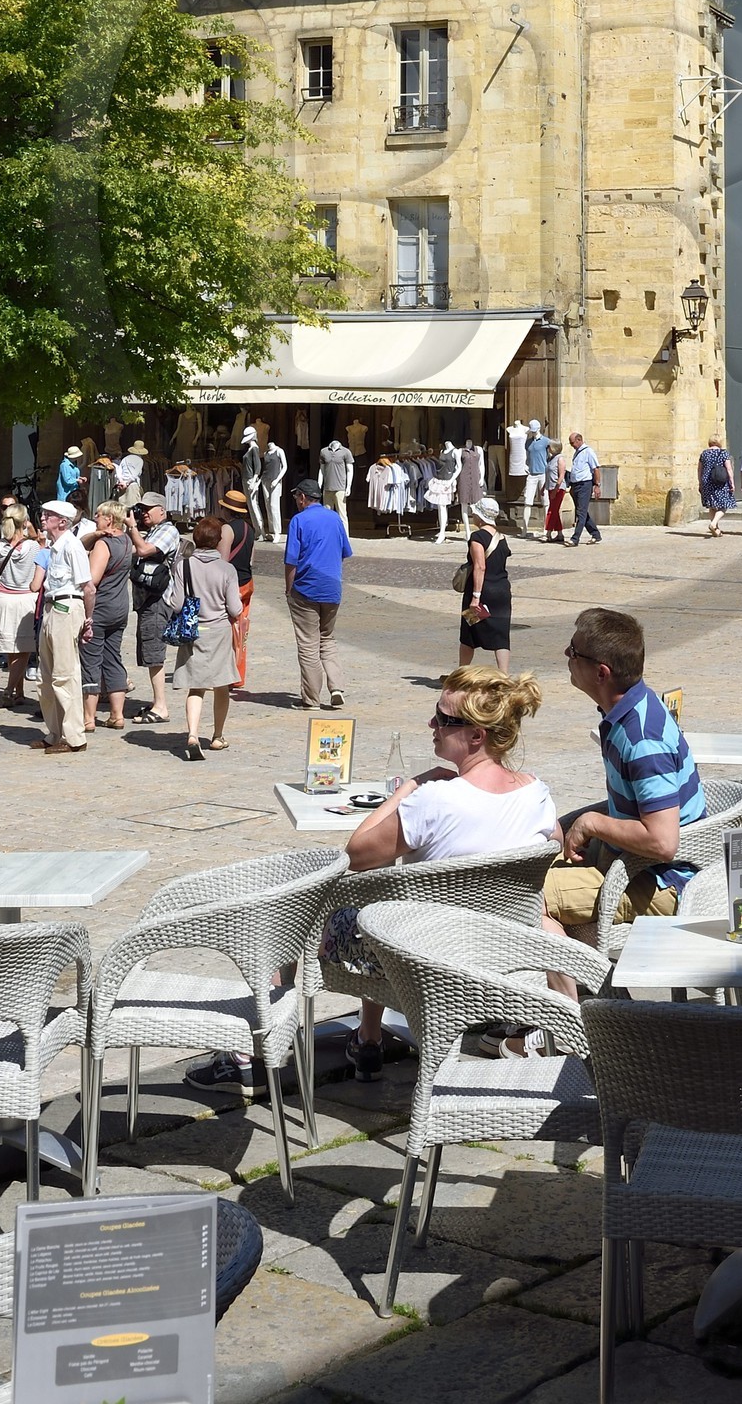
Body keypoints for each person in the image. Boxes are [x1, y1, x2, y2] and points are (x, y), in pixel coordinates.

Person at [334, 667, 555, 1078]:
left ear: (477, 736)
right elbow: (551, 843)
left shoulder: (435, 799)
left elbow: (356, 853)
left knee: (301, 916)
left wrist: (409, 788)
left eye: (444, 719)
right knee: (384, 897)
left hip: (419, 956)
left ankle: (262, 1055)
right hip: (502, 950)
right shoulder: (536, 794)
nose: (432, 724)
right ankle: (367, 1036)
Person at [543, 608, 707, 968]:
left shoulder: (642, 739)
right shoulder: (628, 711)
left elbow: (663, 842)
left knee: (520, 899)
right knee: (523, 878)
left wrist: (591, 823)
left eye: (574, 652)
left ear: (601, 673)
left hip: (663, 883)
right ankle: (590, 1000)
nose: (566, 657)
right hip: (628, 863)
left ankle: (577, 1010)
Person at [172, 513, 244, 762]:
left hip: (194, 630)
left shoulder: (183, 565)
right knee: (221, 684)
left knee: (196, 685)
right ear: (217, 541)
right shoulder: (227, 569)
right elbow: (235, 608)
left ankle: (192, 734)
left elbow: (178, 603)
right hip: (219, 631)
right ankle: (217, 735)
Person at [284, 478, 352, 707]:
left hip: (306, 588)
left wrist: (289, 588)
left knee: (308, 644)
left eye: (296, 497)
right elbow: (344, 551)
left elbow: (291, 561)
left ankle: (311, 698)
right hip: (332, 587)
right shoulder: (334, 518)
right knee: (327, 638)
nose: (296, 501)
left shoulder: (299, 521)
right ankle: (337, 687)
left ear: (303, 497)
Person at [35, 496, 95, 754]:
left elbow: (88, 588)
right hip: (51, 608)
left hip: (67, 608)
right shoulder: (53, 547)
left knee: (65, 674)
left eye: (48, 515)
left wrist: (88, 620)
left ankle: (74, 737)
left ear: (62, 521)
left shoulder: (72, 546)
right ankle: (54, 732)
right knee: (46, 675)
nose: (42, 518)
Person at [128, 493, 181, 721]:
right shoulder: (151, 531)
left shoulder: (168, 531)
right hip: (147, 598)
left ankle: (161, 706)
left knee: (155, 651)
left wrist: (131, 529)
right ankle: (156, 701)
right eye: (142, 509)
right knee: (149, 650)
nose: (145, 513)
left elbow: (143, 551)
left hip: (160, 599)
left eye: (149, 509)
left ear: (162, 510)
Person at [0, 503, 43, 708]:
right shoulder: (33, 546)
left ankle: (19, 691)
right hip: (24, 598)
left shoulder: (0, 546)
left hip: (3, 599)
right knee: (24, 649)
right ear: (24, 521)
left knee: (12, 648)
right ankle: (10, 689)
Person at [82, 502, 134, 733]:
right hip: (120, 606)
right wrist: (94, 534)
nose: (95, 517)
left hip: (101, 607)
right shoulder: (126, 540)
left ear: (109, 519)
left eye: (99, 515)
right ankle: (117, 715)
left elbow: (92, 580)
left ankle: (89, 718)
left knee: (91, 659)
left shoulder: (104, 545)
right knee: (113, 658)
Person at [459, 497, 513, 671]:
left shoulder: (477, 537)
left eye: (475, 513)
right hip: (502, 593)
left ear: (480, 516)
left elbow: (480, 566)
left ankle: (461, 674)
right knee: (501, 635)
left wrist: (476, 597)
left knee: (469, 634)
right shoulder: (502, 537)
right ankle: (504, 676)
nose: (473, 515)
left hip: (483, 593)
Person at [216, 492, 255, 697]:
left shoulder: (227, 529)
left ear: (226, 509)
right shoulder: (250, 529)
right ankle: (239, 675)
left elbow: (222, 562)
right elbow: (250, 559)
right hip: (248, 582)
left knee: (229, 631)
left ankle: (227, 675)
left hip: (233, 585)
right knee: (242, 630)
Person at [566, 432, 602, 545]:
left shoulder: (588, 452)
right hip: (576, 485)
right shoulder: (577, 453)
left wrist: (597, 485)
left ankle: (575, 538)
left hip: (585, 485)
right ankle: (595, 534)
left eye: (572, 443)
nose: (572, 445)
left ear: (579, 440)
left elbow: (595, 469)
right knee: (582, 512)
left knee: (580, 513)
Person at [697, 435, 735, 538]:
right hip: (720, 481)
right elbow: (729, 469)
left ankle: (716, 529)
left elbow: (699, 469)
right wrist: (732, 482)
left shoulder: (704, 454)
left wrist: (700, 482)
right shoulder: (723, 453)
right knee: (724, 504)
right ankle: (714, 524)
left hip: (706, 481)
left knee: (712, 505)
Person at [523, 419, 549, 536]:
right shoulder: (528, 443)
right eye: (531, 431)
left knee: (545, 502)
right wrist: (526, 465)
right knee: (527, 501)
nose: (533, 433)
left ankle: (546, 528)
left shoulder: (546, 442)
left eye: (534, 431)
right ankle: (524, 529)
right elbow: (527, 456)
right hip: (531, 474)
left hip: (543, 473)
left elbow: (551, 455)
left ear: (539, 429)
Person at [260, 437, 288, 541]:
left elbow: (285, 467)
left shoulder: (279, 451)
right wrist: (260, 480)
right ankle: (271, 530)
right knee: (268, 505)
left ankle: (277, 531)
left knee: (274, 505)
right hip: (265, 480)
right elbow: (265, 468)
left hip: (275, 481)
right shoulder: (265, 453)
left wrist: (277, 480)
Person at [543, 438, 568, 541]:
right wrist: (543, 487)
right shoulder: (550, 459)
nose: (547, 448)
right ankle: (560, 534)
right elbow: (549, 475)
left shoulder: (560, 459)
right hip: (550, 487)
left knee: (551, 510)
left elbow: (561, 475)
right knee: (555, 510)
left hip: (558, 488)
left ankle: (547, 533)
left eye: (549, 446)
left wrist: (556, 489)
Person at [114, 438, 148, 506]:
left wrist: (121, 481)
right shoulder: (139, 460)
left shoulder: (125, 459)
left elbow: (119, 471)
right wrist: (126, 483)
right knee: (133, 507)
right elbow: (135, 474)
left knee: (122, 508)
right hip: (132, 485)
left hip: (122, 486)